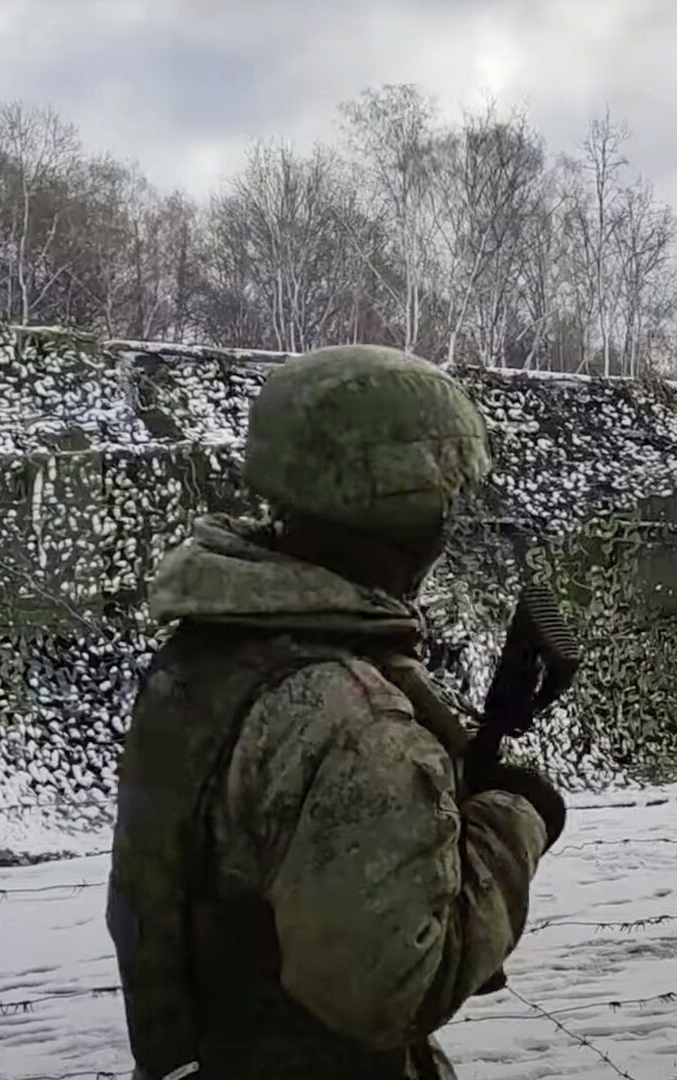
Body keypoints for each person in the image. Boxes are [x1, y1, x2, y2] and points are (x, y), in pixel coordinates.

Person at [106, 344, 574, 1080]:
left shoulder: (209, 656)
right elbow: (389, 991)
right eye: (444, 503)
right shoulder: (351, 718)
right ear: (412, 513)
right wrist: (514, 821)